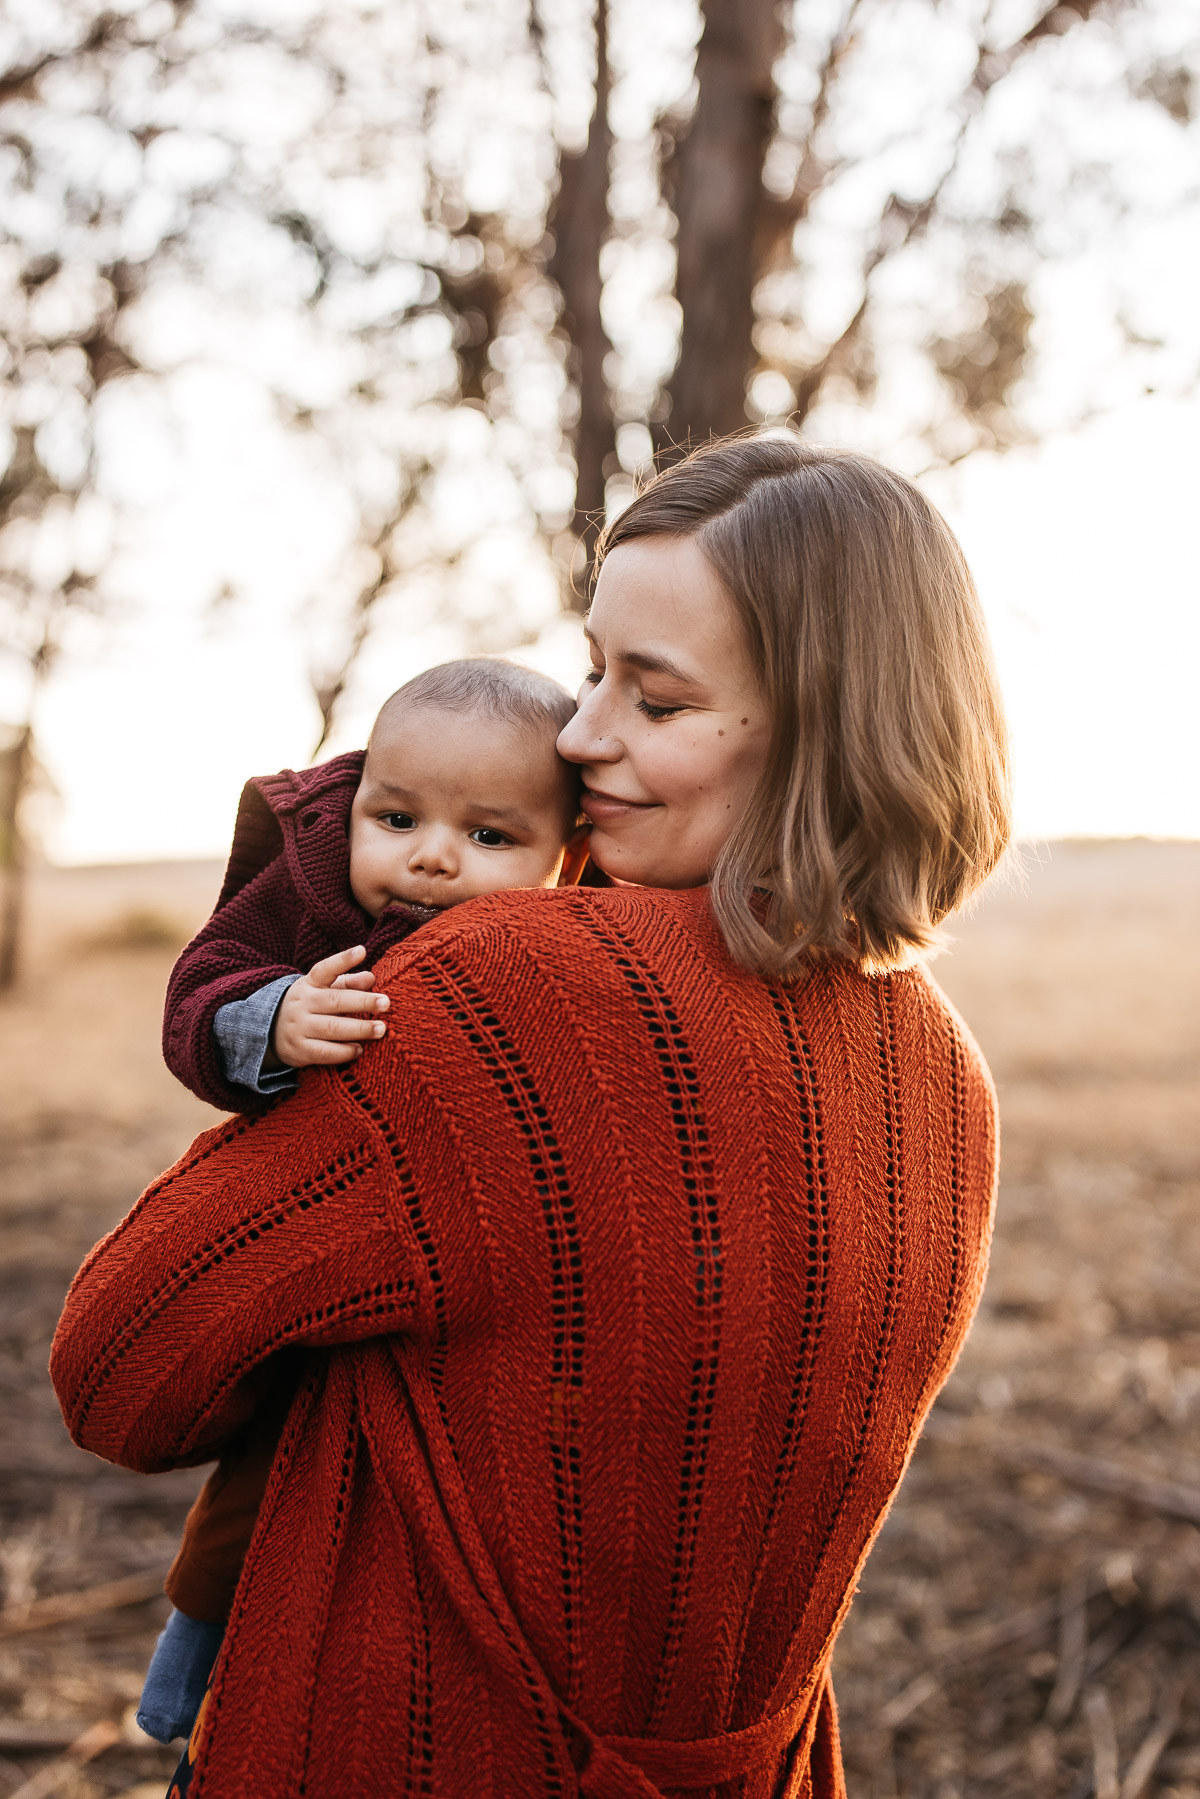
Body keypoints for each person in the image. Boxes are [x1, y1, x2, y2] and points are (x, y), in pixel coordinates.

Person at [51, 434, 1011, 1799]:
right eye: (594, 668)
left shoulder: (503, 987)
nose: (577, 733)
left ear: (822, 726)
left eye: (656, 700)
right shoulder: (948, 1079)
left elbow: (123, 1371)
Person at [137, 656, 583, 1745]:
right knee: (255, 1478)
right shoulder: (310, 886)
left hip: (451, 1268)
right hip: (299, 1217)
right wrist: (272, 1017)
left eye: (490, 837)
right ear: (356, 800)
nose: (430, 854)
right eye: (397, 816)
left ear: (567, 856)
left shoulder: (568, 941)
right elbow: (203, 983)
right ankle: (187, 1687)